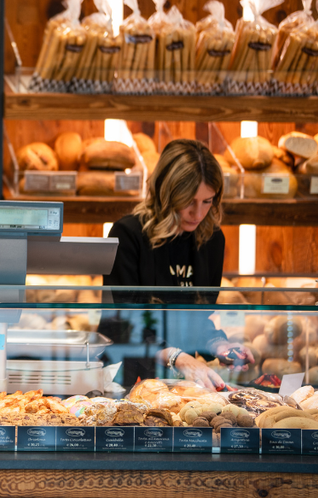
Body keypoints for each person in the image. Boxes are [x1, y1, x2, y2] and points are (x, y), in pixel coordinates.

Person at [104, 138, 253, 390]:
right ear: (166, 193)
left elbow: (195, 319)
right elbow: (124, 324)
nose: (198, 213)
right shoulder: (128, 234)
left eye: (207, 201)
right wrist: (177, 357)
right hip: (124, 379)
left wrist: (218, 344)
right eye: (189, 201)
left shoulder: (211, 239)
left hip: (180, 382)